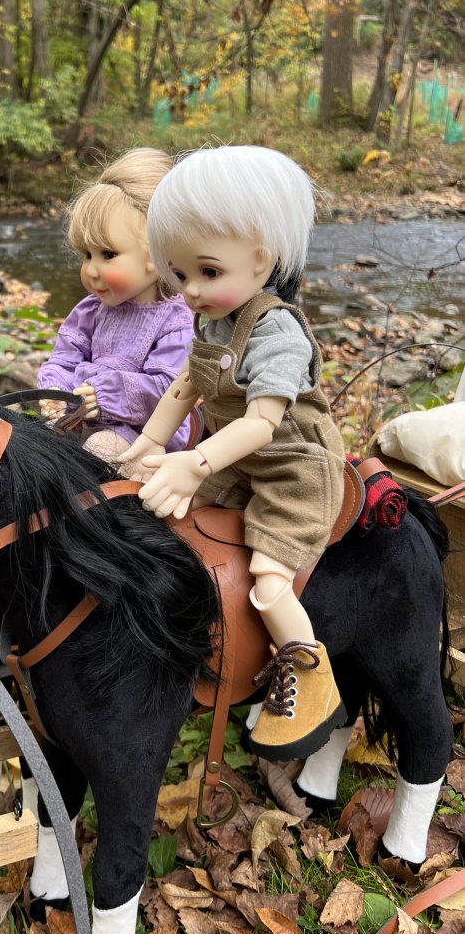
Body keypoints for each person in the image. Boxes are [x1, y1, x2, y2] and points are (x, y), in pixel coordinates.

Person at [119, 144, 347, 760]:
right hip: (227, 459)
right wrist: (145, 445)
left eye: (208, 272)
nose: (190, 290)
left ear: (260, 257)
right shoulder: (211, 320)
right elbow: (185, 385)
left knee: (269, 584)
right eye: (179, 274)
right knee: (170, 529)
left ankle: (308, 675)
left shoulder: (277, 331)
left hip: (289, 471)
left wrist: (193, 463)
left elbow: (263, 424)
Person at [36, 148, 195, 469]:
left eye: (107, 254)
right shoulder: (90, 310)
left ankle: (98, 514)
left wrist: (108, 395)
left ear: (158, 255)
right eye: (86, 255)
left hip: (147, 431)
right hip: (82, 416)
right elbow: (65, 356)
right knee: (34, 446)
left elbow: (170, 389)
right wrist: (55, 388)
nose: (92, 270)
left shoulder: (176, 318)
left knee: (100, 451)